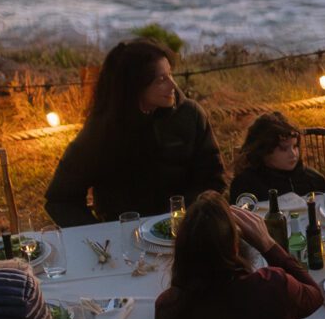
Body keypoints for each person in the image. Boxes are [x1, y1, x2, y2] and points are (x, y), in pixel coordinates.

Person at [44, 39, 225, 227]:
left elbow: (213, 178)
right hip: (126, 236)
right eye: (161, 80)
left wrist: (189, 217)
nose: (173, 85)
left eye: (170, 74)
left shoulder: (190, 115)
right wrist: (100, 234)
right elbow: (60, 199)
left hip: (184, 230)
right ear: (135, 87)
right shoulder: (103, 129)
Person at [154, 193, 322, 319]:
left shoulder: (168, 308)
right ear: (235, 248)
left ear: (181, 250)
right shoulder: (271, 286)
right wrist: (268, 244)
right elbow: (314, 294)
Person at [229, 112, 325, 203]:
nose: (293, 154)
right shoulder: (245, 186)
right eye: (283, 149)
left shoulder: (314, 181)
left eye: (295, 146)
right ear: (263, 151)